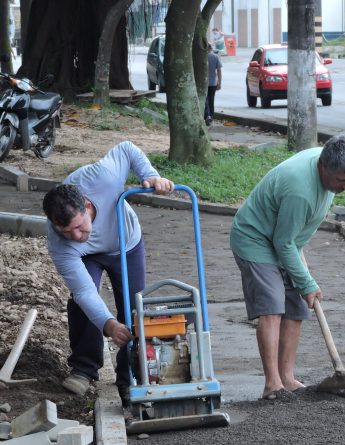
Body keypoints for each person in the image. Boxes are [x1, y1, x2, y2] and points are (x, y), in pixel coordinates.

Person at [229, 133, 345, 400]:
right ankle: (272, 384)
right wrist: (307, 282)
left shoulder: (327, 167)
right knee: (272, 306)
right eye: (342, 181)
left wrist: (304, 279)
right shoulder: (299, 189)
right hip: (256, 239)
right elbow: (283, 242)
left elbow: (290, 240)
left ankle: (288, 378)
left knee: (297, 306)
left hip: (286, 241)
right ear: (323, 167)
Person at [42, 141, 175, 400]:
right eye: (67, 232)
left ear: (87, 206)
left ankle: (130, 378)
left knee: (132, 308)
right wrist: (109, 325)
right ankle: (84, 369)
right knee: (83, 304)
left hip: (125, 244)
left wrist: (150, 175)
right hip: (87, 259)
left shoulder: (102, 178)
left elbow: (127, 148)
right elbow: (84, 291)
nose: (77, 236)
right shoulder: (60, 243)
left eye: (80, 227)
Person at [205, 43, 222, 126]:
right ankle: (211, 116)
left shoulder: (202, 57)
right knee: (211, 100)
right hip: (213, 83)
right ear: (211, 48)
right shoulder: (215, 57)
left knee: (205, 100)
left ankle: (207, 115)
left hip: (204, 83)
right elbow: (219, 70)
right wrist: (219, 82)